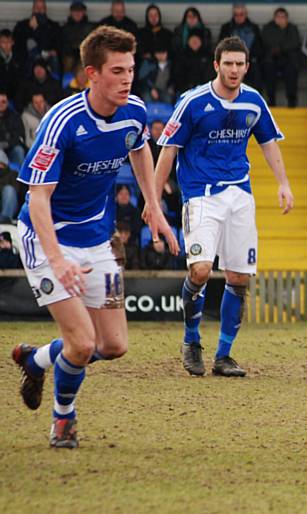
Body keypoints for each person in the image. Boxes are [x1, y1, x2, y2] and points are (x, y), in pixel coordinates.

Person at [10, 26, 178, 449]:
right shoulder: (61, 122)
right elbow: (37, 198)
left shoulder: (135, 110)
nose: (127, 79)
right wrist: (57, 259)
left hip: (97, 240)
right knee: (83, 345)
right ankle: (63, 419)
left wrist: (153, 206)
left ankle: (37, 359)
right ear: (91, 74)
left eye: (131, 70)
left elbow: (140, 148)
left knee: (114, 345)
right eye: (117, 71)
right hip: (48, 239)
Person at [152, 36, 294, 377]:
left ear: (247, 66)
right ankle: (191, 341)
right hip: (201, 194)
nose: (234, 70)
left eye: (239, 64)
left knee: (239, 277)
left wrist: (284, 183)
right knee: (200, 270)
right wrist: (153, 201)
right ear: (216, 65)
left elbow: (268, 143)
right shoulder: (193, 102)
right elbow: (168, 150)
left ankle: (224, 355)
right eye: (228, 63)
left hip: (240, 195)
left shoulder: (254, 102)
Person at [261, 7, 301, 108]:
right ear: (274, 18)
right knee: (268, 67)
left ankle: (291, 99)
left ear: (287, 18)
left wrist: (281, 48)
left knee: (291, 68)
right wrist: (279, 48)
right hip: (272, 58)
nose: (280, 19)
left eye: (283, 17)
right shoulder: (268, 28)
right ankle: (271, 99)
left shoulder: (292, 28)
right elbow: (266, 42)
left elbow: (295, 43)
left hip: (288, 58)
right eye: (278, 17)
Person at [219, 3, 264, 92]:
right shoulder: (226, 28)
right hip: (231, 59)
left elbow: (259, 47)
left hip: (250, 60)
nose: (238, 17)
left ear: (246, 14)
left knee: (257, 68)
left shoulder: (254, 28)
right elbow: (221, 47)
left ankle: (256, 99)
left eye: (241, 14)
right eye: (236, 15)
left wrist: (248, 57)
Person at [60, 1, 95, 73]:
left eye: (80, 11)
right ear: (71, 12)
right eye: (75, 11)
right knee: (69, 61)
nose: (77, 13)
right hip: (69, 55)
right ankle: (68, 82)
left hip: (83, 55)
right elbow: (62, 45)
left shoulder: (90, 27)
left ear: (84, 12)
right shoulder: (65, 28)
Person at [0, 92, 26, 166]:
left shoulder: (15, 117)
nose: (1, 104)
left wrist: (7, 143)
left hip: (12, 146)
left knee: (19, 150)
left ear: (8, 103)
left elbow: (20, 136)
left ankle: (20, 176)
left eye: (3, 102)